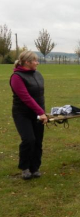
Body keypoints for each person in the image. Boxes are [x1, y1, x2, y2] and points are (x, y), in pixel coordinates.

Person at [10, 51, 48, 180]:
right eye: (35, 60)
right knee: (28, 139)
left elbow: (40, 95)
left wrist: (43, 112)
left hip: (38, 113)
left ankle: (35, 167)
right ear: (27, 62)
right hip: (22, 114)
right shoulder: (17, 77)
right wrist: (40, 112)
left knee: (37, 141)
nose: (37, 62)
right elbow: (26, 98)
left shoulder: (37, 74)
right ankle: (25, 168)